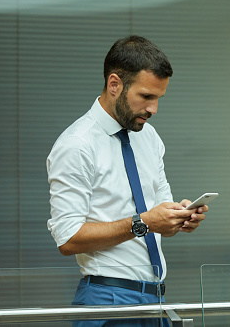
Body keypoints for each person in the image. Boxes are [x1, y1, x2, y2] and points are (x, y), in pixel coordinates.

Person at [46, 35, 207, 326]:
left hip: (156, 301)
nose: (153, 109)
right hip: (107, 301)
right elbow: (67, 239)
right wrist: (144, 222)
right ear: (114, 85)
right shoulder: (76, 144)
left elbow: (158, 220)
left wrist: (178, 217)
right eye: (146, 96)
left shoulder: (150, 137)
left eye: (158, 98)